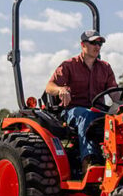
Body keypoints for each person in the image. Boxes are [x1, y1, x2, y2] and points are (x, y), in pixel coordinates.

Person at [46, 30, 117, 173]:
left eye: (100, 43)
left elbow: (114, 93)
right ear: (83, 45)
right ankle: (90, 161)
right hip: (73, 111)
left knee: (121, 118)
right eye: (93, 43)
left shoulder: (105, 68)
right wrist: (61, 90)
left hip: (98, 111)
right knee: (86, 114)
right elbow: (49, 87)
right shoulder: (69, 65)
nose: (97, 46)